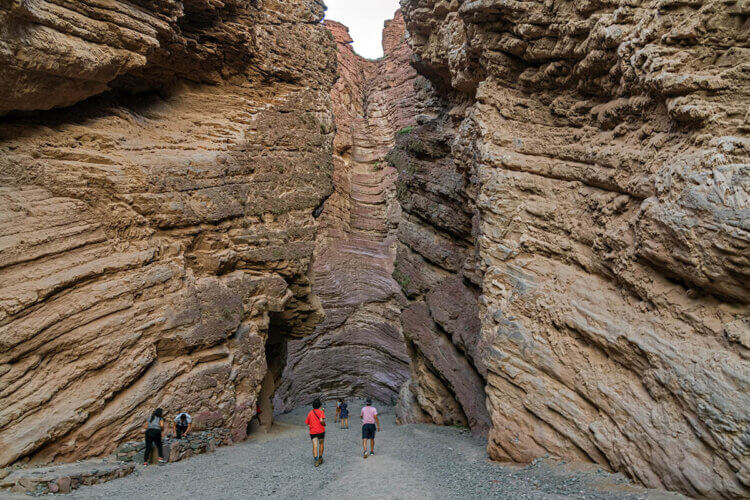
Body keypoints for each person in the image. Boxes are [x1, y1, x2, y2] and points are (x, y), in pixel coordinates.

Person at [305, 398, 326, 467]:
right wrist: (324, 424)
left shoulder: (310, 412)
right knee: (321, 444)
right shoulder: (321, 412)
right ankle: (320, 458)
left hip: (313, 431)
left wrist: (311, 426)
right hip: (321, 431)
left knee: (315, 446)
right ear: (320, 405)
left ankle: (316, 460)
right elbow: (321, 420)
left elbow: (307, 423)